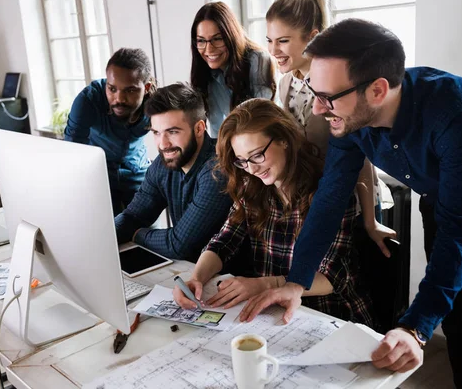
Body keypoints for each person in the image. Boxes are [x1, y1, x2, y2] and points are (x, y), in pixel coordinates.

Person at [239, 19, 462, 386]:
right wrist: (297, 280)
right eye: (314, 92)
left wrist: (415, 329)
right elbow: (330, 196)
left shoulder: (460, 116)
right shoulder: (348, 119)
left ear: (377, 90)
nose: (316, 110)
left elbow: (461, 231)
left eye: (327, 98)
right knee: (458, 321)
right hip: (442, 202)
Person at [173, 99, 374, 327]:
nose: (252, 168)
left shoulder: (328, 191)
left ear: (283, 140)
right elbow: (223, 242)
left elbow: (332, 276)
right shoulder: (251, 187)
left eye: (257, 155)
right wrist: (196, 278)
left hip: (330, 314)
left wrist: (264, 285)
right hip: (273, 312)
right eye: (242, 161)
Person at [266, 0, 395, 256]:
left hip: (353, 199)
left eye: (283, 41)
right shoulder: (285, 83)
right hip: (316, 199)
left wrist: (370, 221)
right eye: (269, 40)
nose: (273, 50)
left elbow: (362, 157)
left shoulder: (338, 82)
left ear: (312, 38)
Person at [114, 83, 233, 261]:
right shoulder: (163, 164)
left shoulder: (217, 169)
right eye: (156, 132)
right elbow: (133, 216)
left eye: (172, 131)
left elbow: (179, 246)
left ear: (199, 129)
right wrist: (99, 237)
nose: (163, 144)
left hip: (230, 280)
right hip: (189, 273)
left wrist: (136, 234)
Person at [64, 48, 155, 216]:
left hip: (138, 172)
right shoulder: (88, 100)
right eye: (112, 89)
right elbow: (72, 150)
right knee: (106, 233)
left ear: (147, 87)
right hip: (99, 176)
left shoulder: (156, 104)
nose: (119, 99)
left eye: (130, 90)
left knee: (146, 232)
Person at [190, 1, 276, 138]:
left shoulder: (258, 60)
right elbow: (217, 131)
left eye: (217, 39)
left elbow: (263, 121)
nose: (208, 49)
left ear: (231, 36)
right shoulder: (207, 71)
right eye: (201, 41)